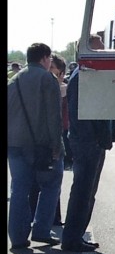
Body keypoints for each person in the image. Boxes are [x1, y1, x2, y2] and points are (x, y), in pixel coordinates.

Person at [61, 40, 115, 251]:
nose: (102, 53)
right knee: (83, 191)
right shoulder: (82, 76)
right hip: (87, 142)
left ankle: (75, 236)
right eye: (98, 48)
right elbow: (80, 114)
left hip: (89, 141)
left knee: (85, 191)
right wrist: (93, 140)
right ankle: (73, 238)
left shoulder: (84, 75)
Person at [7, 43, 64, 249]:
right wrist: (56, 146)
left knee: (19, 189)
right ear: (45, 58)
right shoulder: (46, 79)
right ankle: (41, 229)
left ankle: (18, 236)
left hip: (14, 144)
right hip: (40, 145)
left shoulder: (13, 80)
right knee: (51, 185)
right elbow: (53, 117)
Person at [27, 54, 68, 230]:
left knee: (52, 181)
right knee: (41, 181)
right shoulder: (43, 86)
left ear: (61, 72)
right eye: (49, 68)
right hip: (41, 139)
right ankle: (38, 220)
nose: (49, 72)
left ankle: (53, 218)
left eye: (53, 69)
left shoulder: (64, 89)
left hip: (58, 136)